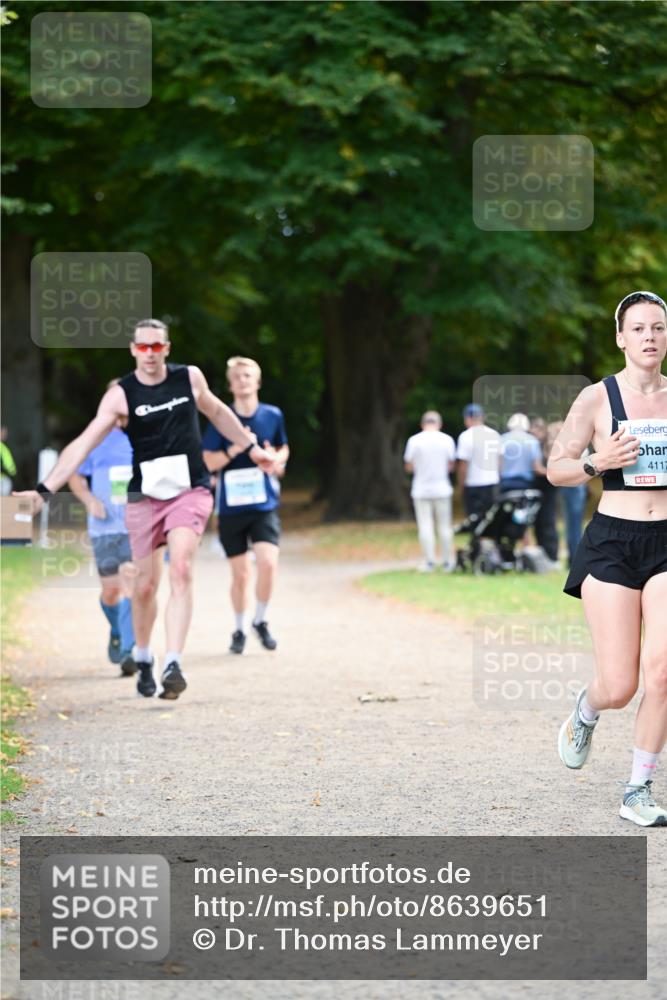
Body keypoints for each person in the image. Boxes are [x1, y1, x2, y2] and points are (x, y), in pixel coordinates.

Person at [15, 319, 275, 701]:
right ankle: (143, 655)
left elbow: (218, 414)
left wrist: (251, 448)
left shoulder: (189, 378)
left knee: (182, 567)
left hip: (190, 489)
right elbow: (82, 445)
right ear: (133, 350)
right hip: (145, 496)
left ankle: (173, 663)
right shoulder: (121, 395)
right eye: (143, 347)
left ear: (166, 349)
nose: (150, 354)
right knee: (145, 586)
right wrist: (43, 491)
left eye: (157, 347)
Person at [548, 290, 667, 827]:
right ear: (621, 337)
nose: (649, 337)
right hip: (613, 542)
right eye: (639, 328)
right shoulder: (597, 399)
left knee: (662, 672)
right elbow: (557, 468)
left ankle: (638, 789)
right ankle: (587, 710)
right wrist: (599, 460)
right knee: (620, 685)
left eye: (658, 328)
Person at [202, 356, 289, 654]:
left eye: (248, 375)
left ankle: (260, 620)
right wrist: (237, 448)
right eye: (237, 376)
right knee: (240, 574)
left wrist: (275, 461)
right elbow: (208, 461)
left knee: (268, 563)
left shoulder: (272, 415)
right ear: (230, 384)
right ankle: (239, 628)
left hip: (263, 504)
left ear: (258, 381)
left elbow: (282, 448)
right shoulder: (220, 419)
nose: (243, 380)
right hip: (230, 507)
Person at [68, 382, 136, 676]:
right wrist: (89, 499)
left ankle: (130, 651)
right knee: (111, 592)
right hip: (104, 526)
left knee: (131, 581)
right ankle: (118, 631)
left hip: (135, 524)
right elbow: (73, 474)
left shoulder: (141, 436)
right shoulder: (93, 439)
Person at [404, 411, 456, 572]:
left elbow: (409, 466)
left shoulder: (414, 441)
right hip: (442, 488)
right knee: (445, 526)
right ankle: (447, 561)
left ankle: (430, 561)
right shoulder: (446, 440)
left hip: (421, 489)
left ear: (422, 424)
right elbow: (451, 465)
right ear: (439, 424)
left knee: (425, 526)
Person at [455, 404, 501, 519]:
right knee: (491, 519)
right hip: (492, 482)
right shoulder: (494, 434)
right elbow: (500, 462)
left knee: (475, 519)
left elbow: (463, 466)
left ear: (467, 418)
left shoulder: (465, 436)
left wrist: (461, 486)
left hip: (473, 484)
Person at [530, 417, 560, 565]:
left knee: (548, 522)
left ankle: (552, 556)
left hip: (548, 488)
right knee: (537, 522)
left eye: (537, 430)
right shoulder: (534, 444)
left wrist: (539, 470)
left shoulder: (550, 444)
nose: (534, 434)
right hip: (537, 487)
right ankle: (542, 554)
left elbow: (553, 469)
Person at [499, 413, 545, 492]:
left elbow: (498, 465)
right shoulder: (532, 441)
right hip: (525, 484)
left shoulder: (502, 439)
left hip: (505, 483)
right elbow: (537, 468)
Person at [1, 426, 17, 496]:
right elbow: (10, 468)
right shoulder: (3, 448)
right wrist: (12, 472)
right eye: (4, 433)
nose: (5, 435)